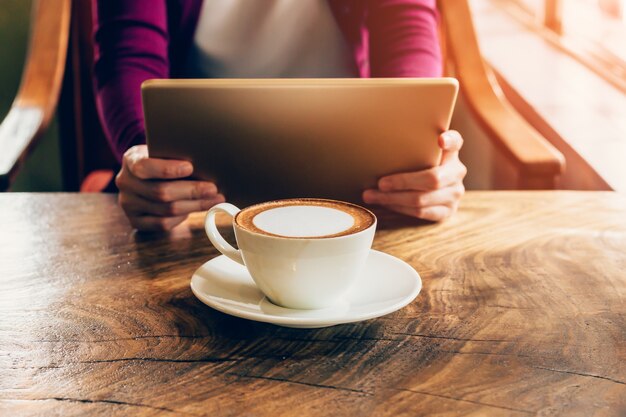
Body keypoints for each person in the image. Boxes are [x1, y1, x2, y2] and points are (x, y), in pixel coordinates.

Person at [93, 0, 467, 231]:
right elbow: (127, 51)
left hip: (359, 182)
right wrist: (144, 153)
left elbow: (408, 26)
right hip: (198, 199)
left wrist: (421, 150)